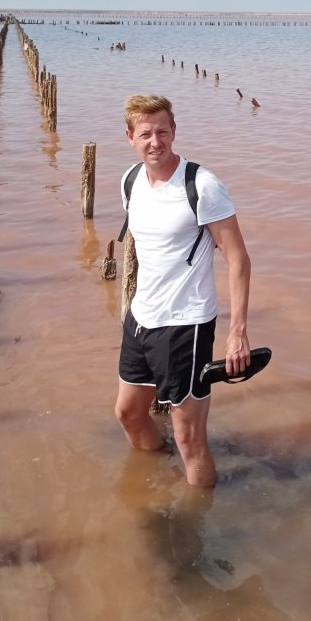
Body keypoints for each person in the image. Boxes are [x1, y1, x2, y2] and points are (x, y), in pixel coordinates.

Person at [114, 94, 252, 487]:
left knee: (188, 435)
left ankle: (199, 526)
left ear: (174, 132)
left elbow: (238, 259)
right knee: (128, 414)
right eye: (145, 134)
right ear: (130, 137)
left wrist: (237, 333)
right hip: (140, 318)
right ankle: (152, 479)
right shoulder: (129, 181)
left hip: (185, 325)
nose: (155, 142)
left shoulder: (202, 186)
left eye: (162, 132)